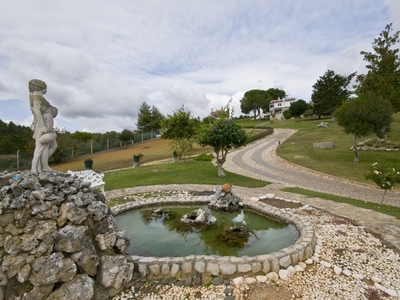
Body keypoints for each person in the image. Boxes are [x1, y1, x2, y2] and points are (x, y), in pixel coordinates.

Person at [29, 79, 58, 173]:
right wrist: (41, 127)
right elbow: (36, 111)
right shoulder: (37, 96)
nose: (46, 90)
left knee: (53, 145)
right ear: (40, 87)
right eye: (45, 88)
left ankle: (43, 165)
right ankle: (39, 167)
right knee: (42, 147)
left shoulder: (37, 96)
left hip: (47, 123)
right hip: (44, 124)